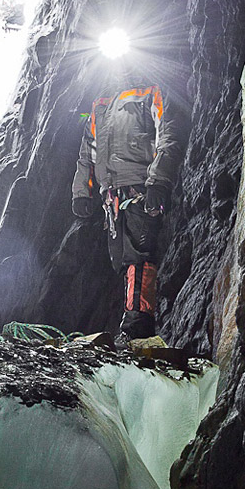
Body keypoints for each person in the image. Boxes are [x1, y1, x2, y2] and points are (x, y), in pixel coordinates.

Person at [71, 79, 186, 340]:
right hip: (111, 196)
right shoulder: (101, 103)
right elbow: (87, 150)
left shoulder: (150, 92)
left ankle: (138, 327)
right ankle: (134, 322)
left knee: (139, 258)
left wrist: (158, 180)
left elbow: (167, 135)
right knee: (123, 261)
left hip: (140, 189)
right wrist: (81, 191)